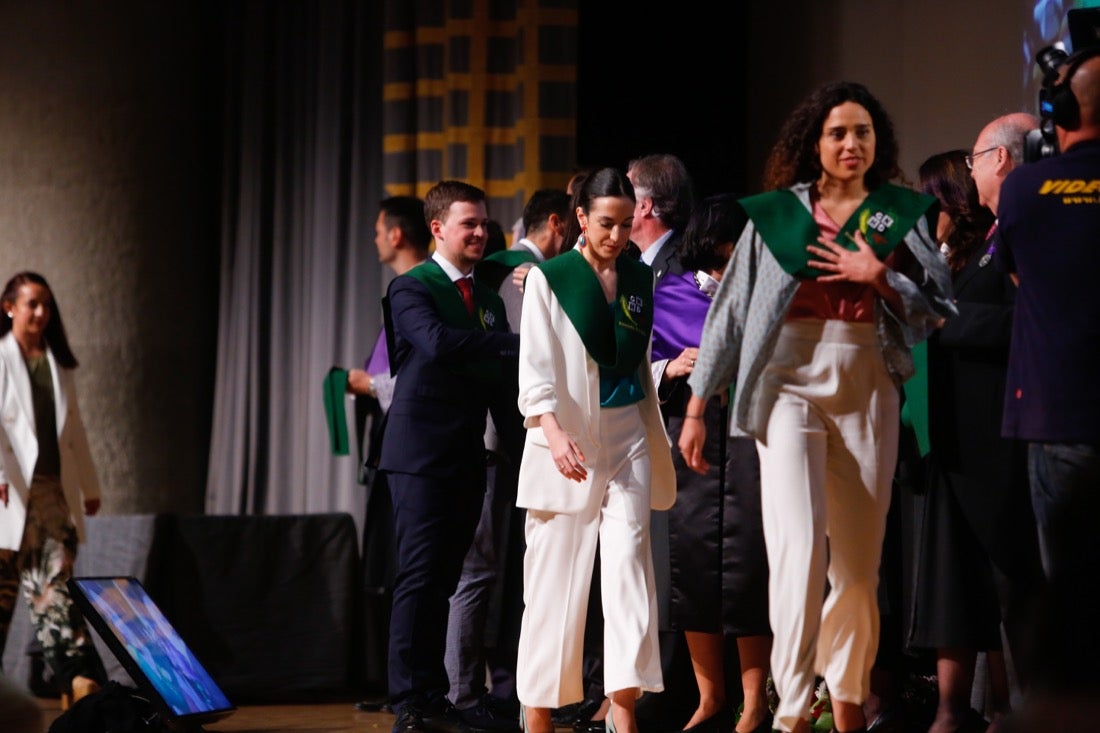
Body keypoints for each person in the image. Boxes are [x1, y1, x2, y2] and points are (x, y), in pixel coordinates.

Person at [678, 81, 955, 733]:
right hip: (788, 382)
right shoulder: (776, 215)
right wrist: (696, 406)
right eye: (838, 132)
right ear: (814, 143)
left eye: (862, 131)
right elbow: (731, 313)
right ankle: (793, 709)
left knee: (858, 565)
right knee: (797, 549)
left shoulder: (897, 213)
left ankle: (849, 699)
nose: (851, 143)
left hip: (866, 380)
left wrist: (879, 276)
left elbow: (940, 307)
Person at [515, 167, 676, 733]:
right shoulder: (551, 279)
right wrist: (552, 431)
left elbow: (638, 359)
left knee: (630, 570)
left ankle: (622, 709)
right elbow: (535, 367)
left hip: (629, 434)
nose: (617, 235)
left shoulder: (637, 277)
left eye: (627, 224)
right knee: (556, 579)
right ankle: (537, 710)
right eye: (606, 223)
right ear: (580, 217)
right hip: (570, 439)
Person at [908, 150, 1044, 733]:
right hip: (947, 439)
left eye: (929, 199)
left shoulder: (1008, 238)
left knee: (1010, 578)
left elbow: (1030, 319)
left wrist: (948, 320)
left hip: (998, 434)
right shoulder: (945, 257)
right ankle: (949, 710)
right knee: (952, 580)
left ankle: (1024, 709)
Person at [379, 180, 521, 733]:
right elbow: (437, 343)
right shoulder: (411, 287)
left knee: (445, 581)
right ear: (437, 228)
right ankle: (409, 702)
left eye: (484, 223)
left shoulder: (488, 301)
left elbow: (500, 389)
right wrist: (515, 343)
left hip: (466, 456)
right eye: (470, 224)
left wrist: (528, 453)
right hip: (418, 457)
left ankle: (435, 696)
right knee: (418, 578)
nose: (481, 232)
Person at [993, 49, 1100, 724]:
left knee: (1073, 589)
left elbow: (1016, 278)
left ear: (1058, 113)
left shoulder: (1024, 189)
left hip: (1059, 418)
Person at [442, 188, 572, 731]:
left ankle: (492, 689)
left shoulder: (500, 271)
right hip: (501, 438)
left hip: (503, 439)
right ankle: (464, 693)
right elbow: (522, 355)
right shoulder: (515, 273)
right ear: (559, 224)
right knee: (481, 569)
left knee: (497, 571)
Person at [650, 194, 773, 733]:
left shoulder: (763, 292)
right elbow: (637, 364)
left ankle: (755, 701)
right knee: (693, 565)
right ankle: (710, 697)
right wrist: (670, 367)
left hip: (750, 438)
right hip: (689, 438)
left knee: (750, 565)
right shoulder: (667, 294)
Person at [335, 195, 431, 709]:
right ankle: (398, 685)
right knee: (391, 563)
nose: (375, 238)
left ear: (396, 234)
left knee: (411, 564)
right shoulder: (401, 291)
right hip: (390, 445)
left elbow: (415, 376)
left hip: (415, 449)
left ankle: (414, 688)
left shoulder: (419, 291)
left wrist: (368, 384)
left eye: (378, 230)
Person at [0, 271, 106, 710]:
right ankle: (76, 681)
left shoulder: (58, 365)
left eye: (46, 304)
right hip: (7, 490)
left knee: (55, 583)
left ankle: (80, 680)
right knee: (3, 591)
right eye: (32, 304)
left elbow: (74, 432)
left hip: (50, 492)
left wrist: (90, 486)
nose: (41, 312)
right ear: (9, 307)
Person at [625, 154, 695, 281]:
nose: (617, 203)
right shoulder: (629, 261)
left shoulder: (680, 271)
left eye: (625, 194)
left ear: (644, 206)